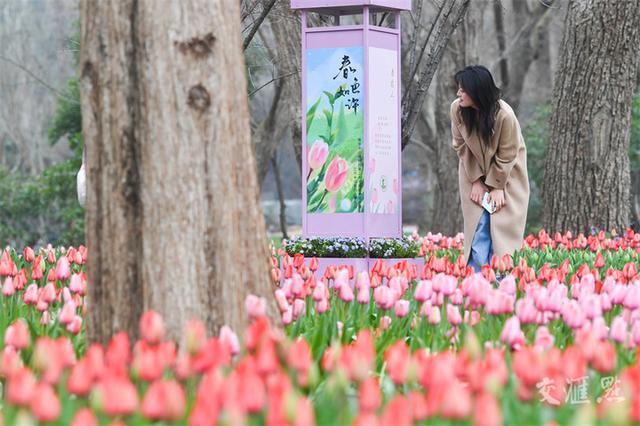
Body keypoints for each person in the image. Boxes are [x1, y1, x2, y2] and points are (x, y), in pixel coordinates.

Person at [450, 65, 529, 272]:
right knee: (478, 225)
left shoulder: (504, 115)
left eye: (463, 90)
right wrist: (476, 180)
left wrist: (496, 186)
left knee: (501, 227)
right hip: (471, 169)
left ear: (478, 91)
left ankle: (502, 277)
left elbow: (508, 154)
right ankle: (477, 276)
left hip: (507, 173)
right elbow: (461, 146)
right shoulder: (457, 109)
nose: (459, 94)